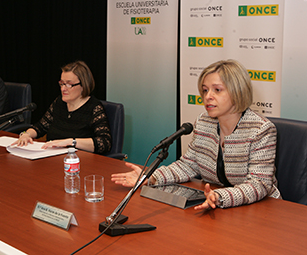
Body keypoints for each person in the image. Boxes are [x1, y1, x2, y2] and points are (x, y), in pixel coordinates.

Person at [112, 59, 281, 210]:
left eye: (217, 90)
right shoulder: (204, 122)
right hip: (215, 204)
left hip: (261, 209)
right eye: (205, 90)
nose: (208, 96)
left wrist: (221, 197)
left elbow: (259, 184)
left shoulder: (261, 129)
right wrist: (150, 177)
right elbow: (189, 165)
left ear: (237, 91)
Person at [14, 60, 112, 154]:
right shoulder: (59, 103)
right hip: (52, 158)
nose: (63, 89)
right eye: (62, 83)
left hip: (78, 162)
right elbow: (40, 126)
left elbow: (104, 142)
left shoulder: (94, 108)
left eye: (69, 84)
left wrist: (71, 142)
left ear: (83, 85)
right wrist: (26, 135)